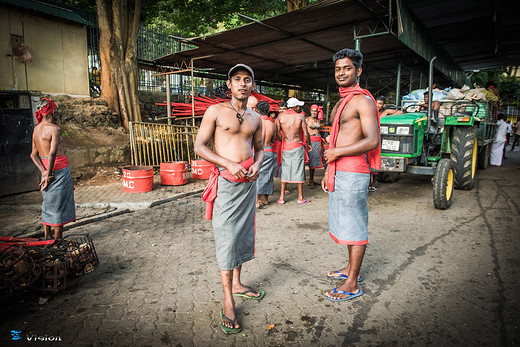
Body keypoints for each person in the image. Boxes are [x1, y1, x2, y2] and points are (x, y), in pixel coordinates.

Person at [194, 64, 265, 334]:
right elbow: (199, 146)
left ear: (253, 86)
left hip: (248, 185)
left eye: (247, 80)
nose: (242, 84)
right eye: (237, 80)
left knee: (242, 234)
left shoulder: (255, 118)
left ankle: (238, 283)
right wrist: (227, 163)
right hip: (225, 182)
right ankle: (228, 300)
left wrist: (258, 164)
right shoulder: (215, 111)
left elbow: (259, 149)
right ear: (229, 84)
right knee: (226, 237)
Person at [321, 48, 380, 302]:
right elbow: (339, 137)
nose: (341, 73)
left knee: (354, 225)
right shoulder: (343, 100)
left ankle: (352, 283)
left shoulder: (361, 101)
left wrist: (336, 153)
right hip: (339, 169)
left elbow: (372, 139)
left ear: (358, 71)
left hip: (353, 170)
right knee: (346, 223)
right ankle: (349, 269)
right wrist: (327, 169)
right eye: (338, 69)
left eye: (347, 68)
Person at [30, 98, 76, 240]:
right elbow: (52, 153)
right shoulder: (54, 129)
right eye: (56, 110)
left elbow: (33, 155)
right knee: (59, 205)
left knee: (48, 204)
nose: (57, 113)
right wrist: (49, 174)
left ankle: (47, 237)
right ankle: (57, 242)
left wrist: (44, 173)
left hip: (46, 168)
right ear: (51, 112)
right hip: (58, 170)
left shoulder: (36, 129)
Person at [276, 97, 312, 204]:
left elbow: (277, 132)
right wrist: (309, 144)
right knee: (299, 170)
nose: (299, 108)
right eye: (298, 106)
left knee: (285, 169)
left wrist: (282, 139)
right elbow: (305, 133)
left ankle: (282, 197)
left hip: (287, 144)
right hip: (297, 144)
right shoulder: (300, 116)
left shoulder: (280, 116)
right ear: (295, 107)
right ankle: (300, 197)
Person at [256, 101, 278, 207]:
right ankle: (265, 199)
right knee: (268, 175)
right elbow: (274, 140)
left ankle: (256, 200)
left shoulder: (255, 123)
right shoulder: (272, 125)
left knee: (256, 173)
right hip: (269, 150)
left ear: (257, 110)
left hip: (257, 150)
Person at [306, 104, 325, 189]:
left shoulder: (318, 120)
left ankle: (312, 179)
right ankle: (310, 180)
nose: (314, 113)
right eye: (312, 111)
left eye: (315, 111)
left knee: (315, 161)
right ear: (310, 111)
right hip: (312, 141)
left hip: (318, 141)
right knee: (312, 161)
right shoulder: (308, 120)